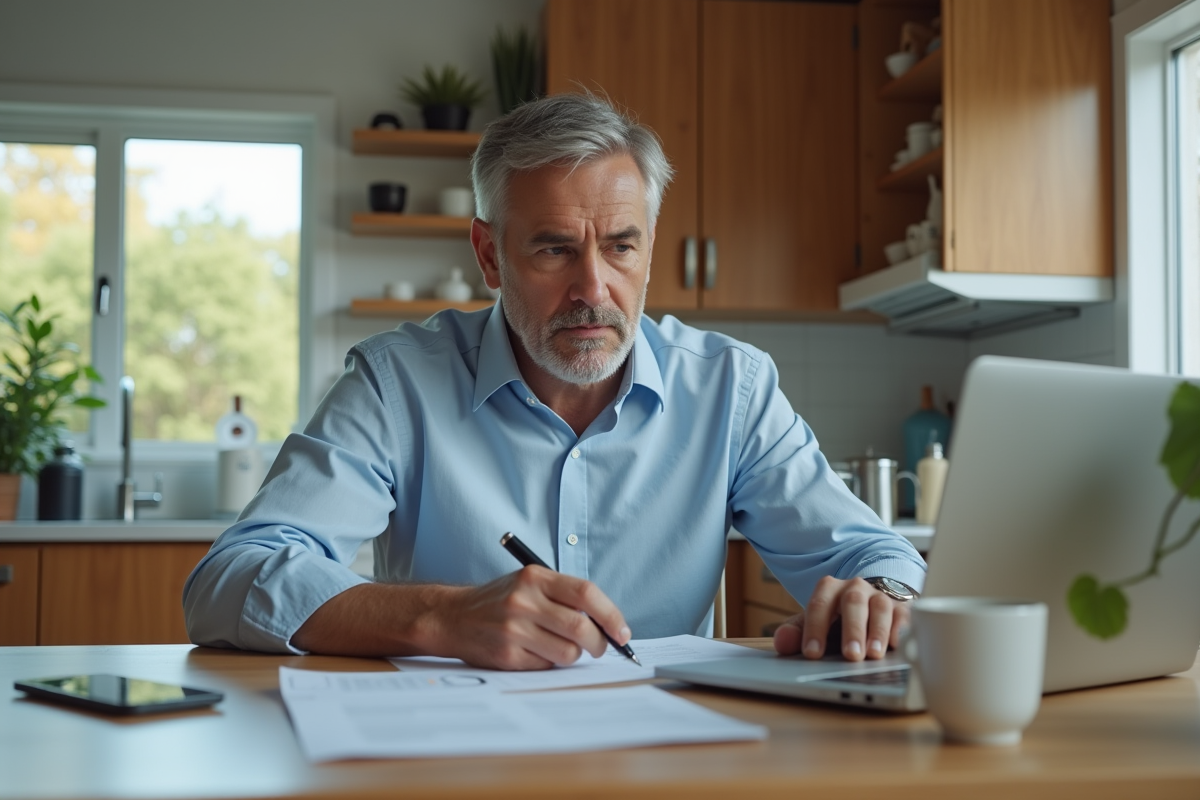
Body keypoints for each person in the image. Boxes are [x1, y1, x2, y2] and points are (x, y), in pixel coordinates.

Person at [183, 93, 926, 670]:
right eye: (554, 249)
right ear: (489, 255)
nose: (593, 289)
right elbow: (228, 581)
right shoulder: (396, 384)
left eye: (621, 247)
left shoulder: (732, 389)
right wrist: (442, 618)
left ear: (650, 246)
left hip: (666, 758)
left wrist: (882, 597)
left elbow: (881, 560)